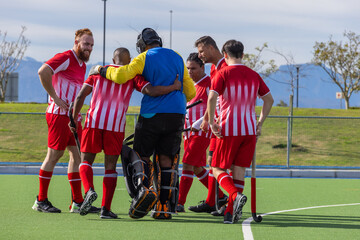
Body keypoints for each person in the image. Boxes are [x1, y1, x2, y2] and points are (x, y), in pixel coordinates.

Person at [90, 27, 196, 219]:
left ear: (142, 45)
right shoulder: (177, 57)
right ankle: (163, 208)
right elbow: (191, 93)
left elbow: (121, 75)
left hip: (152, 115)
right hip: (177, 114)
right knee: (166, 160)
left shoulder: (144, 57)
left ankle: (144, 192)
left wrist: (100, 70)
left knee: (142, 155)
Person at [69, 47, 182, 219]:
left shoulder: (97, 72)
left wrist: (73, 118)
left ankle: (89, 190)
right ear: (129, 61)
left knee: (85, 161)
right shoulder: (131, 75)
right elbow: (150, 91)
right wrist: (173, 87)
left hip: (94, 121)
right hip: (115, 125)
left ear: (113, 60)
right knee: (110, 167)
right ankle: (105, 209)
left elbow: (80, 97)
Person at [32, 28, 100, 214]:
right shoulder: (66, 57)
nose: (89, 48)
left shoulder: (81, 64)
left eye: (92, 45)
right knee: (54, 156)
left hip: (71, 117)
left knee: (76, 156)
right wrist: (54, 97)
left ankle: (77, 202)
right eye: (86, 44)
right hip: (58, 115)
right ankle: (41, 200)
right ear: (76, 42)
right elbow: (43, 71)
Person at [206, 39, 274, 224]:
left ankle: (234, 196)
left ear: (225, 55)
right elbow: (269, 100)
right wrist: (259, 123)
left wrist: (212, 122)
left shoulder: (222, 73)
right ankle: (231, 213)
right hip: (249, 130)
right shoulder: (254, 75)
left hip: (229, 129)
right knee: (238, 171)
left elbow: (212, 97)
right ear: (243, 55)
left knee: (217, 168)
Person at [188, 36, 228, 214]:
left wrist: (217, 118)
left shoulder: (227, 67)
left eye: (201, 51)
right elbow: (214, 99)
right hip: (215, 125)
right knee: (212, 162)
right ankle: (213, 201)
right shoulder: (214, 68)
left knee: (224, 165)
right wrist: (205, 119)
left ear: (211, 48)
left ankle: (231, 202)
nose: (200, 55)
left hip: (226, 124)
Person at [175, 53, 212, 212]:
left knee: (188, 164)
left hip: (202, 131)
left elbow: (215, 106)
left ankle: (179, 203)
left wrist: (199, 123)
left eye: (193, 68)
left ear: (203, 67)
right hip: (188, 132)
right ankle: (220, 196)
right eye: (188, 68)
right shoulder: (190, 84)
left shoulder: (209, 83)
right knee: (197, 168)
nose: (190, 72)